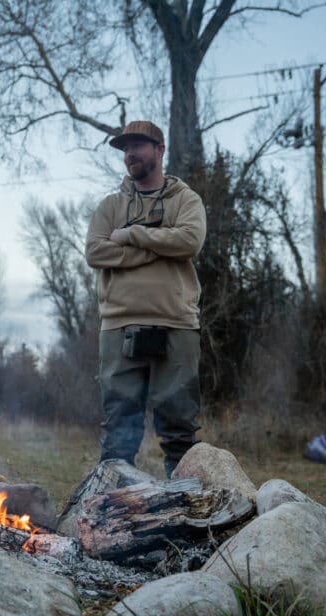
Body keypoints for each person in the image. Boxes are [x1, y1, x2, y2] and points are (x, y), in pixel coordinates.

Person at [84, 120, 207, 477]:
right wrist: (156, 247)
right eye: (125, 148)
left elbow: (189, 241)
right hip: (119, 325)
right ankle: (110, 510)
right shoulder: (110, 207)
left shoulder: (186, 200)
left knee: (179, 429)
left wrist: (133, 235)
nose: (130, 154)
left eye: (138, 145)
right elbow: (95, 252)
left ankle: (185, 508)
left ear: (159, 150)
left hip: (176, 323)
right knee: (118, 431)